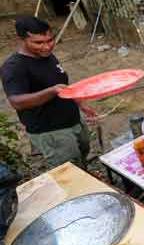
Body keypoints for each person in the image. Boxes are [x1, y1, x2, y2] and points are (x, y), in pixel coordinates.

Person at [1, 16, 89, 167]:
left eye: (50, 40)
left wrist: (80, 104)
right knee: (70, 170)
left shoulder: (46, 55)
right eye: (38, 43)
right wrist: (51, 91)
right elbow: (17, 102)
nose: (47, 46)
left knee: (83, 154)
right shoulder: (14, 67)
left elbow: (63, 84)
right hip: (51, 131)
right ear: (21, 40)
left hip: (72, 119)